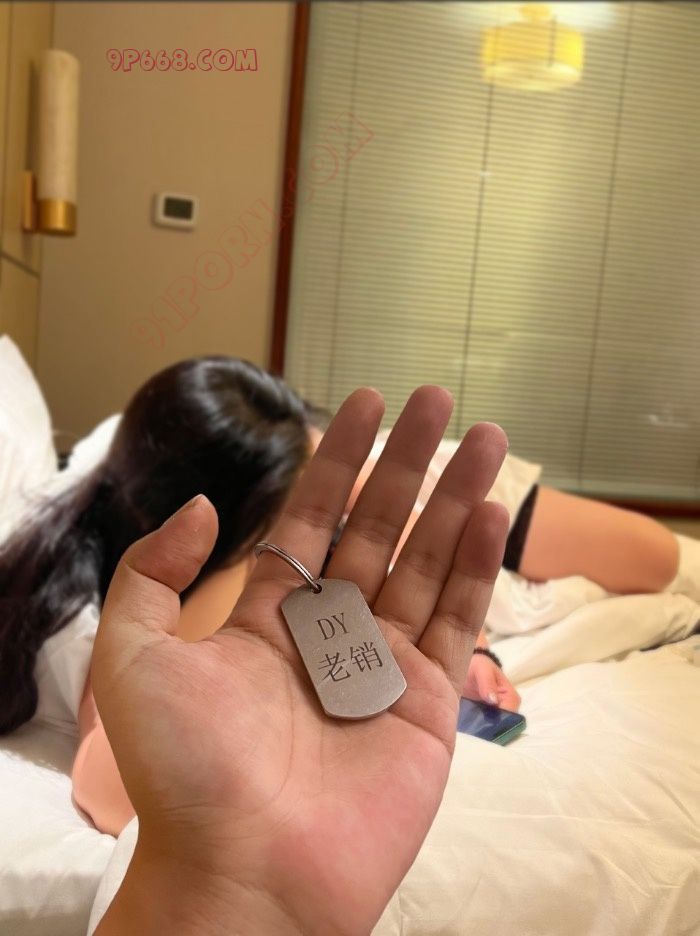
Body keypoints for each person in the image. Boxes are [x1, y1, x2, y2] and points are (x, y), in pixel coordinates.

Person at [89, 385, 510, 935]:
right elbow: (101, 781)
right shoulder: (159, 593)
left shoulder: (350, 506)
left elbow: (421, 537)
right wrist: (221, 876)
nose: (334, 500)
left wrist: (478, 647)